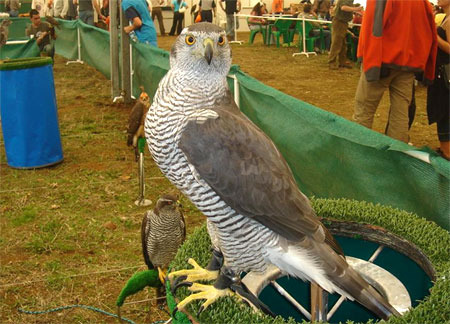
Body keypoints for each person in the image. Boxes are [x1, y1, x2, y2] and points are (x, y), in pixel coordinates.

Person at [353, 0, 437, 144]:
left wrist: (372, 63)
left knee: (364, 111)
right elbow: (429, 31)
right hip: (408, 65)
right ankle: (395, 155)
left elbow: (374, 26)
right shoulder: (423, 2)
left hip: (381, 61)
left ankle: (358, 153)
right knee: (401, 113)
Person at [427, 0, 450, 160]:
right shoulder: (446, 18)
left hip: (445, 75)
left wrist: (434, 35)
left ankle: (447, 153)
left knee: (444, 112)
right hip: (442, 73)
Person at [327, 0, 362, 69]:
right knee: (336, 43)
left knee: (343, 43)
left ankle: (342, 62)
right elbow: (343, 7)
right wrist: (356, 9)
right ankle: (331, 62)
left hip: (343, 22)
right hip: (339, 22)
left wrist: (354, 12)